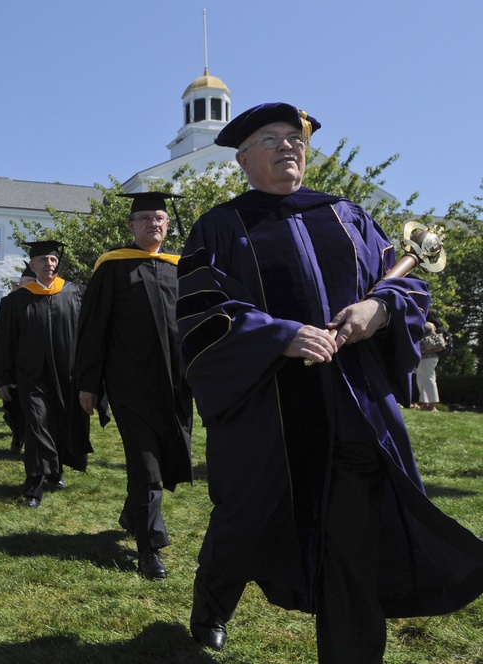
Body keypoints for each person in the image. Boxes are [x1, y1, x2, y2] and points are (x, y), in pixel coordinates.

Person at [178, 102, 483, 661]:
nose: (289, 146)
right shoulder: (220, 227)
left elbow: (408, 287)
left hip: (354, 410)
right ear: (244, 159)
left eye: (295, 138)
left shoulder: (350, 217)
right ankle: (212, 602)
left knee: (354, 552)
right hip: (266, 412)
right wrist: (278, 336)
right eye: (271, 139)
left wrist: (380, 311)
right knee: (242, 522)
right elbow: (202, 312)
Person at [74, 192, 193, 581]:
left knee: (166, 456)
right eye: (143, 218)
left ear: (167, 224)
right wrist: (89, 383)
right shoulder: (112, 267)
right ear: (130, 226)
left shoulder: (182, 268)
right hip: (131, 385)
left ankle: (133, 514)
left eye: (158, 218)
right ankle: (150, 548)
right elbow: (93, 329)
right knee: (145, 465)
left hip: (176, 385)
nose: (152, 224)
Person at [0, 240, 92, 508]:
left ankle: (56, 471)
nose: (49, 264)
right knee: (38, 426)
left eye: (52, 260)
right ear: (32, 265)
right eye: (43, 260)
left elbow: (87, 336)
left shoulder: (74, 294)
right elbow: (5, 343)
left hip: (67, 376)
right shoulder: (16, 301)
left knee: (61, 424)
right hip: (31, 377)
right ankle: (34, 487)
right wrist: (4, 378)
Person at [414, 310, 447, 411]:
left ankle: (431, 405)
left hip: (428, 357)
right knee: (422, 380)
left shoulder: (428, 325)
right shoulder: (435, 326)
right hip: (426, 357)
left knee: (428, 379)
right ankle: (426, 404)